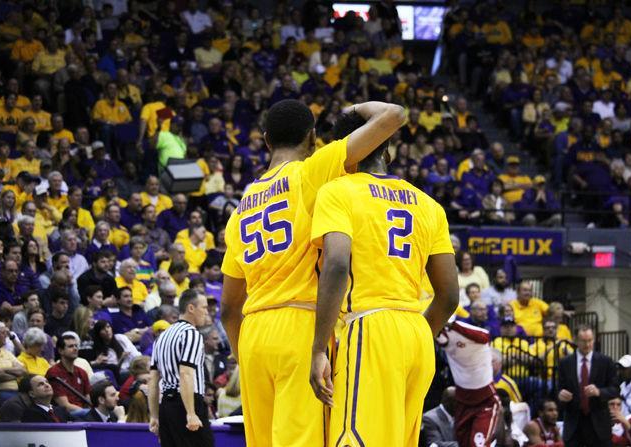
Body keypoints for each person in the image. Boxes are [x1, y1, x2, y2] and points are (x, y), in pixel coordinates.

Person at [220, 99, 406, 447]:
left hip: (253, 334)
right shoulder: (310, 172)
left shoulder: (239, 209)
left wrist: (242, 354)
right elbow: (393, 116)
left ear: (265, 141)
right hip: (300, 326)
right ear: (313, 137)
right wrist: (350, 110)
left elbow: (229, 307)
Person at [308, 110, 458, 446]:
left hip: (370, 326)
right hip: (418, 335)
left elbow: (335, 265)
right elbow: (449, 296)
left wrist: (319, 349)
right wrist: (415, 332)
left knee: (353, 439)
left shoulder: (338, 190)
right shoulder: (429, 205)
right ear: (387, 150)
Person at [148, 289, 213, 447]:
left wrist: (154, 416)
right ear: (191, 308)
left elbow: (153, 380)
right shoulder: (191, 334)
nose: (207, 312)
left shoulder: (162, 337)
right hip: (186, 403)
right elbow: (185, 374)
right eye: (204, 308)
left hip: (166, 407)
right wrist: (191, 413)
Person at [437, 321, 501, 447]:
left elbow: (485, 336)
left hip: (485, 399)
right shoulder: (442, 334)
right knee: (463, 444)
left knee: (478, 445)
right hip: (462, 399)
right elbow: (441, 339)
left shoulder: (459, 327)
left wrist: (453, 325)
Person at [558, 325, 619, 446]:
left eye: (590, 340)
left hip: (598, 421)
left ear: (594, 339)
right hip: (574, 421)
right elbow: (558, 389)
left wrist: (599, 392)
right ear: (575, 340)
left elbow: (615, 389)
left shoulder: (605, 361)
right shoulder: (565, 362)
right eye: (583, 341)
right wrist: (561, 395)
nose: (587, 344)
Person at [45, 334, 91, 417]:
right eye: (70, 346)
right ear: (60, 351)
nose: (75, 348)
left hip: (84, 413)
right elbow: (64, 405)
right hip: (65, 415)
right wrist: (89, 413)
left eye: (76, 346)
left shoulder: (82, 372)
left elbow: (88, 400)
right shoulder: (54, 372)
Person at [0, 320, 25, 403]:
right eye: (3, 333)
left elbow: (23, 370)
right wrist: (16, 375)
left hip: (16, 392)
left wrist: (3, 370)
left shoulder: (5, 352)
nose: (6, 336)